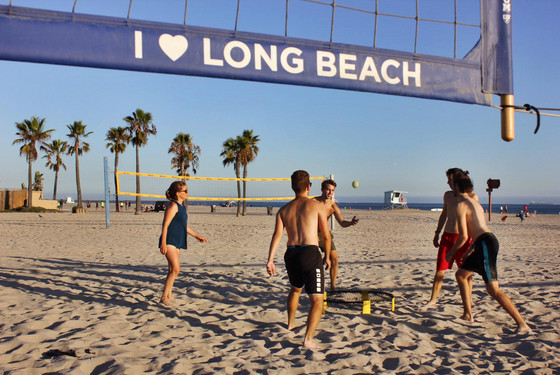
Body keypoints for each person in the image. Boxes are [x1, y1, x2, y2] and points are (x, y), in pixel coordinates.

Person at [446, 175, 531, 333]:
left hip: (485, 243)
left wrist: (451, 252)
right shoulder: (475, 203)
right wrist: (471, 250)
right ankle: (467, 314)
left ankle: (522, 324)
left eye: (453, 184)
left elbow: (464, 235)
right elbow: (477, 228)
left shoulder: (460, 205)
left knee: (493, 290)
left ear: (457, 187)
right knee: (461, 275)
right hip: (484, 242)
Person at [266, 170, 331, 349]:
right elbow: (325, 235)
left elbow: (278, 235)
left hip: (291, 253)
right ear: (309, 187)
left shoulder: (283, 209)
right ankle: (308, 339)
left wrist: (270, 259)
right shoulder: (317, 206)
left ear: (292, 187)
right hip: (309, 252)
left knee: (295, 289)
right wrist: (326, 255)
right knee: (317, 301)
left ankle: (290, 323)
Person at [428, 168, 477, 306]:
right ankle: (433, 299)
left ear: (455, 180)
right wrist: (437, 232)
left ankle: (469, 299)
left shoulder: (471, 197)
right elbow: (444, 214)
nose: (447, 182)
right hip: (447, 236)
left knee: (466, 273)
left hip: (464, 238)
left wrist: (474, 243)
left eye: (449, 180)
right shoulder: (447, 195)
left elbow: (475, 220)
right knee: (440, 270)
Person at [159, 181, 207, 306]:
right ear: (177, 193)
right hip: (169, 240)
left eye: (187, 190)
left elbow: (184, 226)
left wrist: (197, 236)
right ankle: (164, 297)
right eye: (184, 191)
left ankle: (169, 294)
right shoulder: (173, 206)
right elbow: (165, 225)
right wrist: (163, 243)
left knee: (172, 269)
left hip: (178, 240)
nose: (187, 193)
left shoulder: (182, 207)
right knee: (176, 269)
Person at [313, 179, 359, 290]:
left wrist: (351, 223)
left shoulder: (333, 207)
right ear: (322, 189)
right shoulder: (312, 202)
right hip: (311, 234)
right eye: (328, 190)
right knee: (312, 261)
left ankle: (333, 287)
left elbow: (342, 222)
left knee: (335, 259)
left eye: (332, 190)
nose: (330, 193)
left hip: (324, 234)